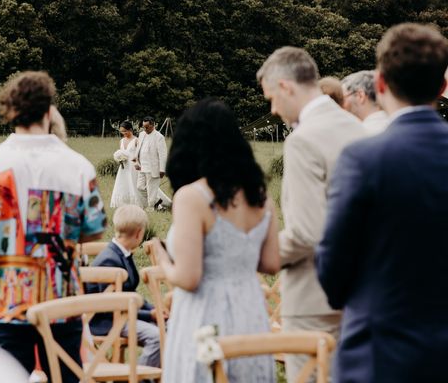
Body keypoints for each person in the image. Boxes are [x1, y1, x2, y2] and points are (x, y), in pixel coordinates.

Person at [316, 23, 448, 383]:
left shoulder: (363, 158)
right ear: (442, 86)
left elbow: (333, 270)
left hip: (380, 354)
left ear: (380, 84)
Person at [0, 71, 107, 382]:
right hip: (62, 299)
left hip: (5, 298)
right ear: (49, 111)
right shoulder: (78, 165)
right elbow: (94, 230)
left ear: (10, 111)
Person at [151, 98, 280, 383]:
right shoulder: (260, 196)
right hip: (251, 313)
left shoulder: (192, 197)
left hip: (205, 315)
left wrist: (163, 260)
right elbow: (271, 263)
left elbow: (189, 277)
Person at [256, 47, 365, 382]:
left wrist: (259, 252)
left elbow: (306, 233)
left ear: (287, 86)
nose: (273, 110)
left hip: (312, 296)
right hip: (361, 291)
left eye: (272, 98)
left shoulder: (304, 140)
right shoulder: (359, 128)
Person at [86, 205, 162, 369]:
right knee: (157, 336)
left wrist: (155, 309)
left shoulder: (122, 253)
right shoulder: (110, 261)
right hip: (107, 321)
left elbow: (130, 294)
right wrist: (150, 315)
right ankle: (140, 379)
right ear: (139, 233)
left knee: (169, 326)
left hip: (122, 313)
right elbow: (112, 305)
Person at [341, 70, 389, 135]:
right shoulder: (396, 124)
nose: (340, 105)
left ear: (360, 96)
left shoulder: (358, 135)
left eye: (342, 99)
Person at [135, 117, 168, 210]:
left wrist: (162, 169)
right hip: (142, 166)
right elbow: (138, 149)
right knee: (140, 187)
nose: (145, 129)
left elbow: (163, 154)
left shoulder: (159, 137)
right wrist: (136, 161)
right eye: (143, 127)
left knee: (151, 189)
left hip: (153, 167)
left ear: (153, 125)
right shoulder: (141, 134)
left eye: (147, 127)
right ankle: (157, 201)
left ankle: (152, 208)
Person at [110, 121, 140, 208]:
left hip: (133, 166)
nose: (123, 133)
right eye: (122, 132)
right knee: (122, 183)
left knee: (133, 183)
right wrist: (119, 158)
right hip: (124, 166)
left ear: (130, 129)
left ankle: (136, 201)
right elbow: (121, 152)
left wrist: (137, 162)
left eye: (125, 131)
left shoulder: (136, 140)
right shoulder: (121, 141)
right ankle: (123, 201)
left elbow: (139, 154)